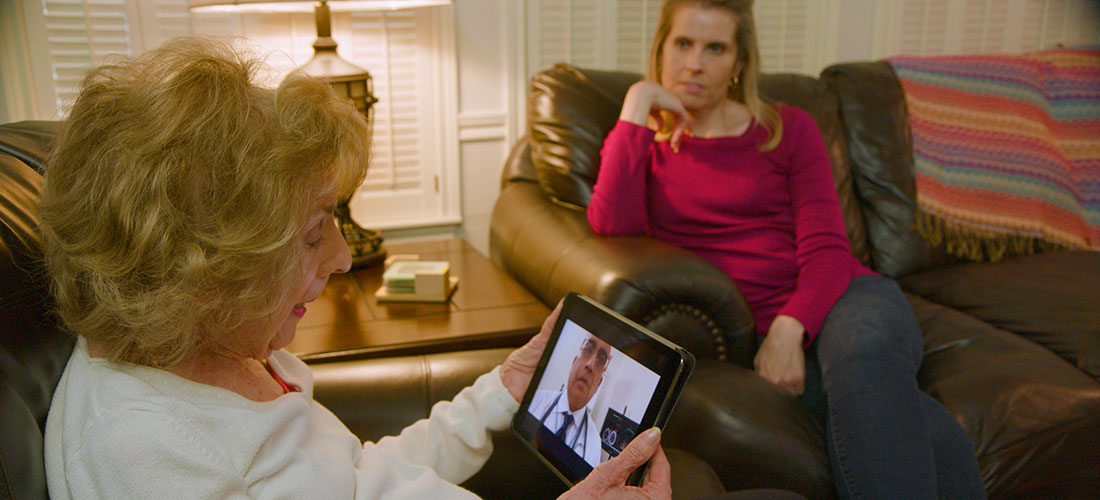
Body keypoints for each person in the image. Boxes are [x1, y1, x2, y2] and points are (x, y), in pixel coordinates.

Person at [39, 36, 674, 500]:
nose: (343, 258)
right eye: (314, 235)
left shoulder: (216, 344)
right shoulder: (141, 454)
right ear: (205, 267)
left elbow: (358, 478)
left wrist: (499, 390)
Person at [586, 1, 986, 498]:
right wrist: (639, 99)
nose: (694, 63)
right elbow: (610, 223)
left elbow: (827, 249)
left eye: (715, 48)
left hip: (848, 299)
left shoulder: (787, 128)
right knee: (923, 424)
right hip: (756, 329)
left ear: (738, 63)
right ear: (661, 49)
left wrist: (790, 325)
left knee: (863, 363)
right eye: (683, 44)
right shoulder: (647, 144)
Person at [528, 334, 613, 466]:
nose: (590, 365)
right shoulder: (535, 400)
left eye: (600, 360)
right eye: (588, 350)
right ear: (574, 363)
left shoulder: (593, 445)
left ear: (599, 383)